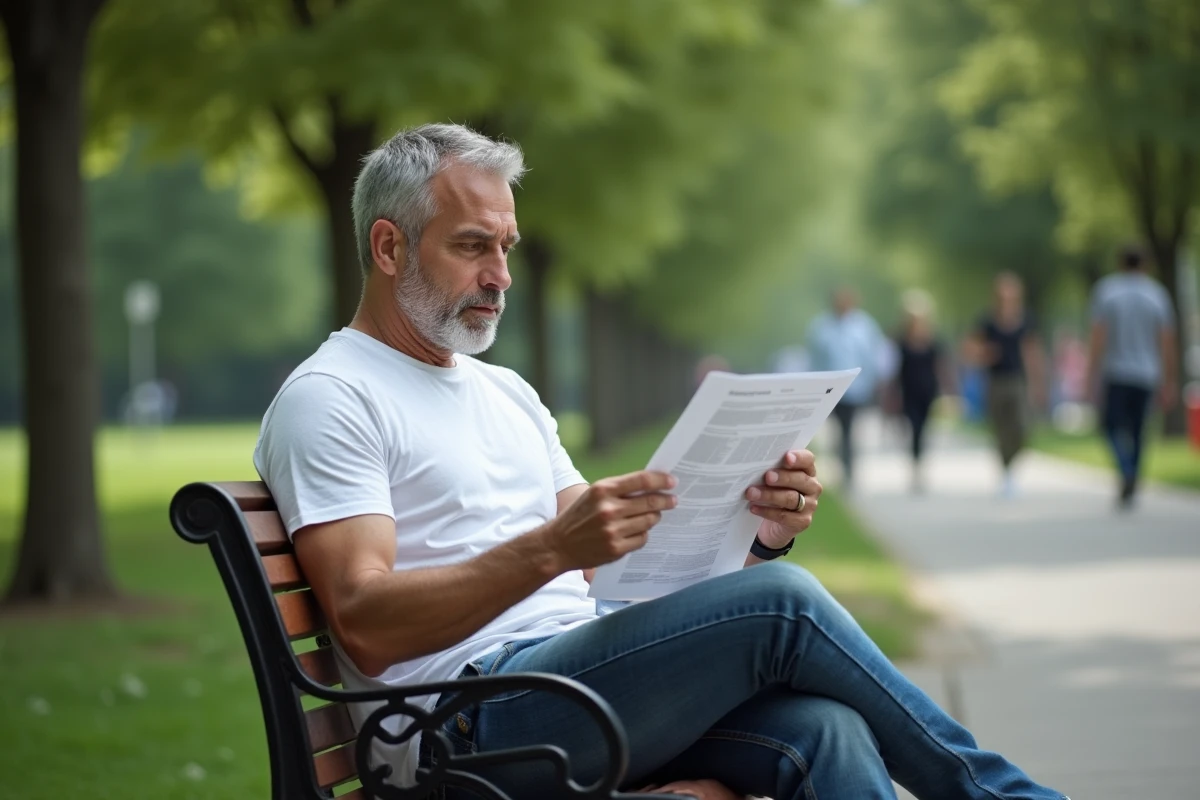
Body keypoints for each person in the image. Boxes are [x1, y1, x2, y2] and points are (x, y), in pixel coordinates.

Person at [254, 124, 1067, 800]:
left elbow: (611, 576)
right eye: (473, 248)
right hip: (464, 726)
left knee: (826, 730)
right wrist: (551, 550)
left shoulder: (504, 391)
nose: (501, 277)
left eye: (506, 247)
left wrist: (760, 537)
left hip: (572, 685)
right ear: (389, 247)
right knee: (783, 606)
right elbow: (361, 622)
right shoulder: (334, 395)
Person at [1086, 244, 1178, 508]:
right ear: (1145, 264)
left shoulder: (1107, 291)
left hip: (1116, 372)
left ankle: (1125, 469)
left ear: (1120, 263)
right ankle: (1133, 474)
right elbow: (1166, 340)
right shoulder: (1157, 295)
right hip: (1147, 373)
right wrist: (1169, 379)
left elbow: (1097, 337)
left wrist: (1090, 375)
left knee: (1110, 426)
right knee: (1139, 430)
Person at [965, 273, 1047, 498]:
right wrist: (985, 354)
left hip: (1018, 381)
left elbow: (1033, 352)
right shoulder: (987, 321)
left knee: (1022, 427)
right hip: (995, 381)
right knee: (1000, 429)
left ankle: (1011, 465)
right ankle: (1006, 473)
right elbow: (969, 349)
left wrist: (1038, 384)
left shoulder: (1026, 319)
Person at [805, 287, 886, 490]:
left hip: (856, 389)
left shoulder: (864, 326)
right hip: (831, 388)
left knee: (849, 430)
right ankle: (841, 464)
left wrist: (875, 380)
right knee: (836, 431)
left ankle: (849, 469)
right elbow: (814, 358)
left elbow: (873, 355)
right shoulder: (821, 326)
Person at [893, 290, 950, 493]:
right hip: (908, 392)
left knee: (924, 429)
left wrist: (945, 391)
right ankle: (915, 466)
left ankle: (920, 464)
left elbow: (940, 367)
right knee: (914, 428)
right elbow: (894, 370)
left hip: (928, 391)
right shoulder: (900, 341)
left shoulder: (933, 341)